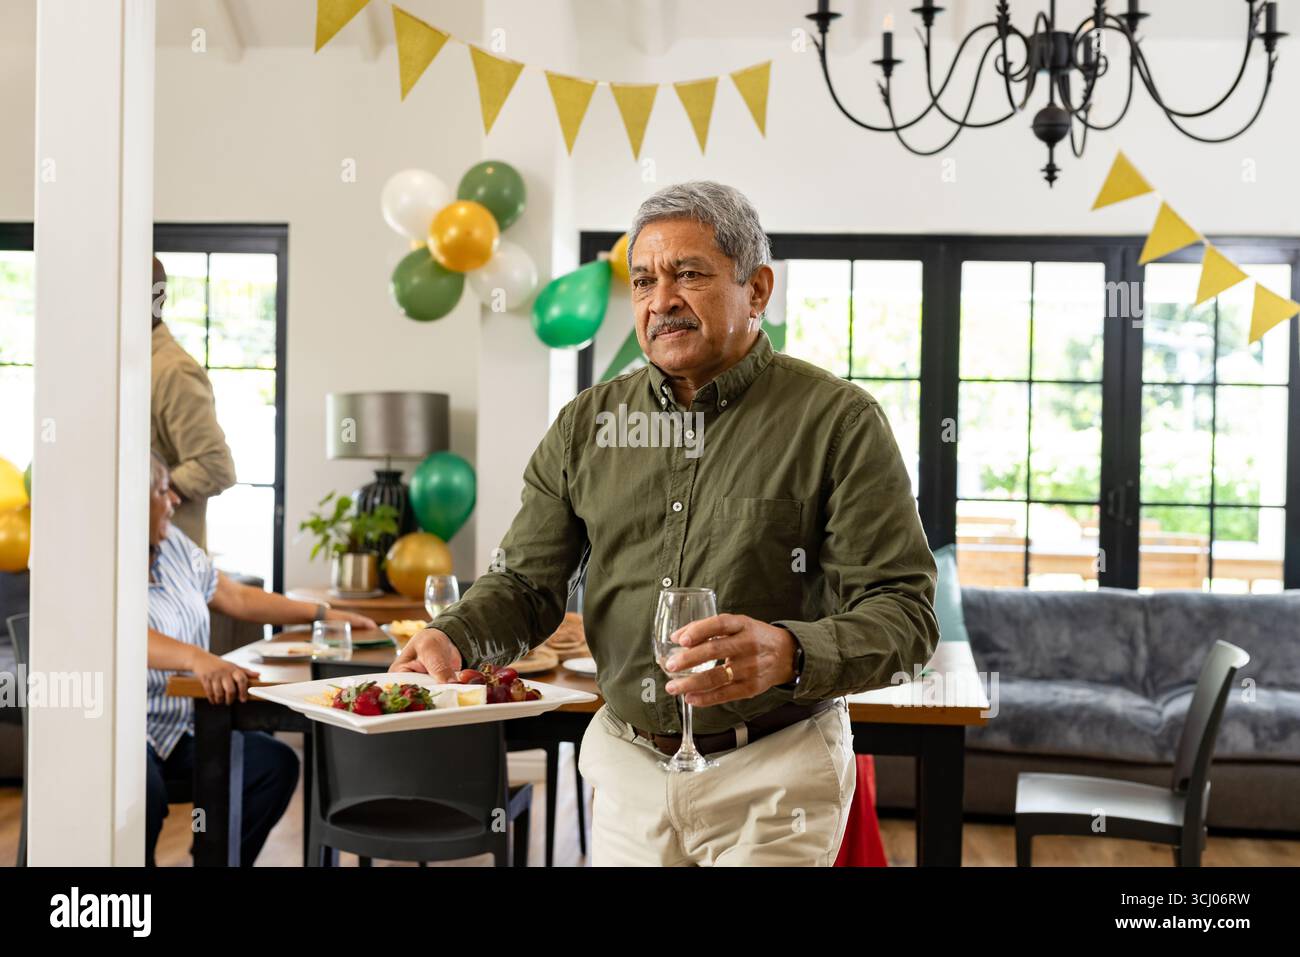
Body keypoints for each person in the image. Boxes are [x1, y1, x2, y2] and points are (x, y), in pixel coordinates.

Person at [394, 181, 940, 866]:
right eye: (646, 280)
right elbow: (527, 584)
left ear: (758, 288)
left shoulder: (837, 422)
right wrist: (454, 632)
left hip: (775, 775)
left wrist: (789, 651)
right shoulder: (585, 425)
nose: (660, 301)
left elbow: (906, 617)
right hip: (628, 772)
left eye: (689, 274)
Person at [145, 451, 376, 866]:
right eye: (164, 490)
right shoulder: (100, 562)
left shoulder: (176, 546)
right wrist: (199, 659)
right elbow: (120, 633)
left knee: (272, 766)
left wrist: (321, 612)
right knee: (143, 793)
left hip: (186, 726)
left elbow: (234, 596)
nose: (175, 500)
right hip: (129, 733)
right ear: (132, 498)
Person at [151, 255, 237, 549]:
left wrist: (148, 497)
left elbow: (214, 466)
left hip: (167, 568)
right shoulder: (130, 367)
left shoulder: (172, 371)